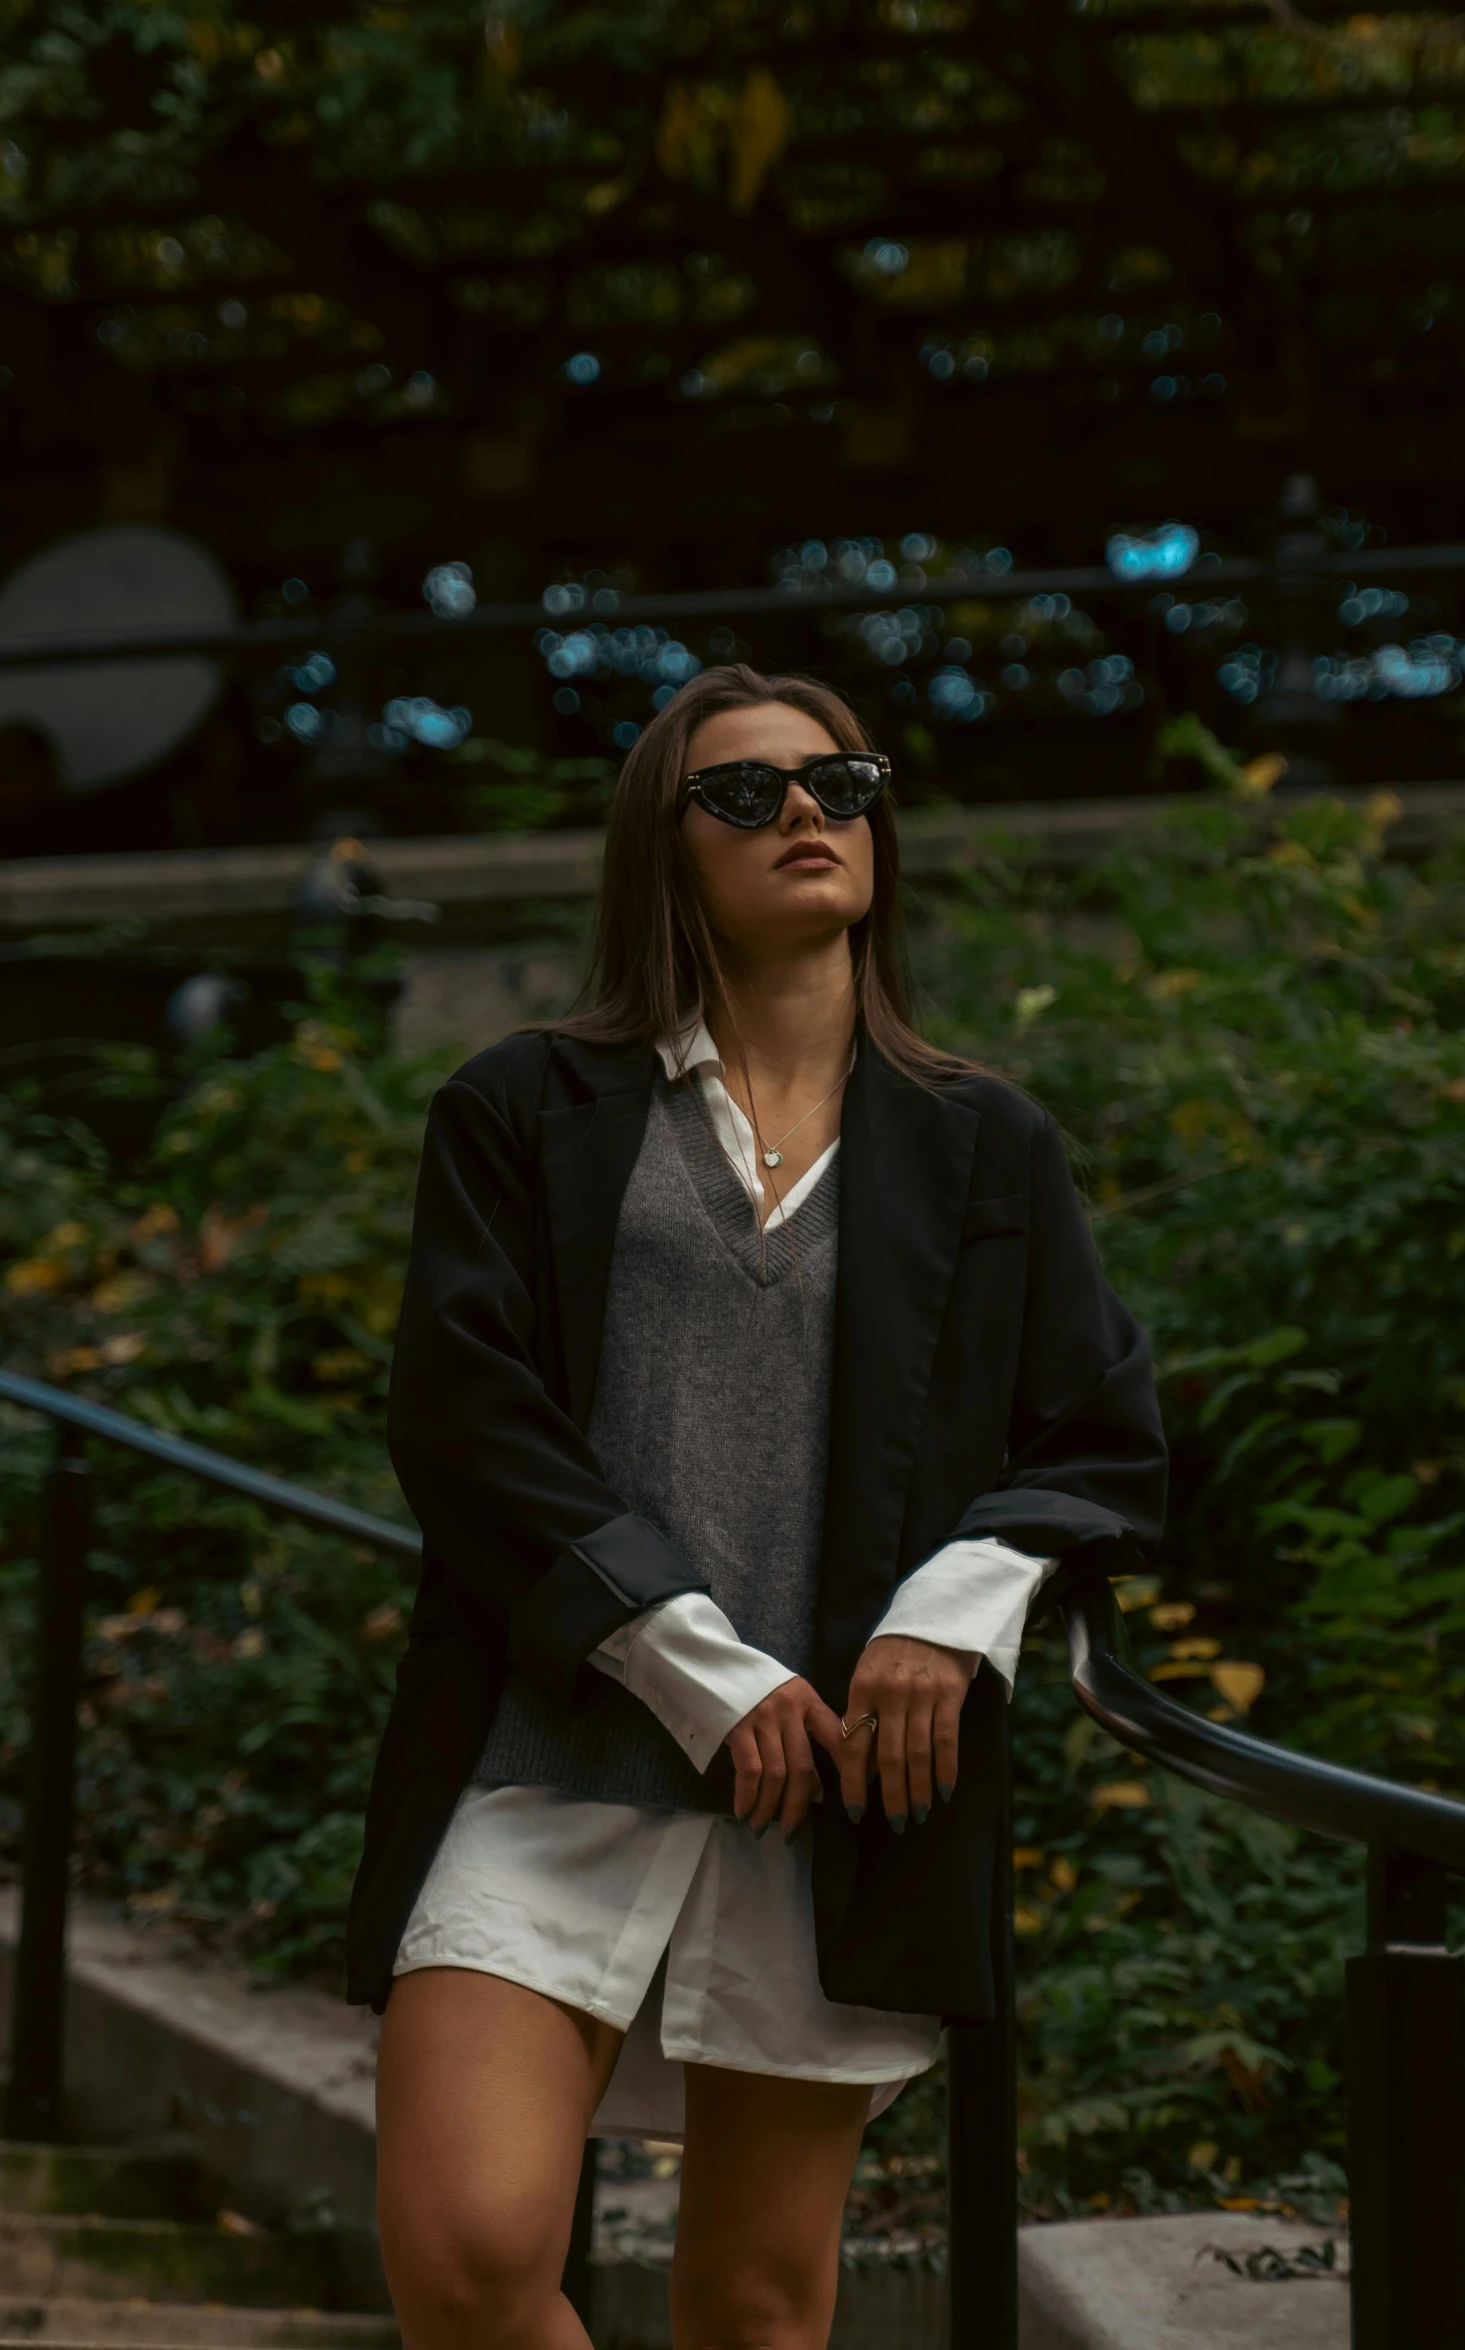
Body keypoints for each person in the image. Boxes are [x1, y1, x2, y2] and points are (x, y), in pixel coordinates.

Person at [351, 665, 1167, 2350]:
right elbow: (461, 1414)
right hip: (554, 1745)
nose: (806, 810)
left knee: (752, 2307)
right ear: (666, 849)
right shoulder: (525, 1107)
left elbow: (1100, 1439)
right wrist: (691, 1666)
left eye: (839, 779)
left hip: (847, 1810)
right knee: (468, 2255)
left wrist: (947, 1620)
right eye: (745, 792)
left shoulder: (982, 1145)